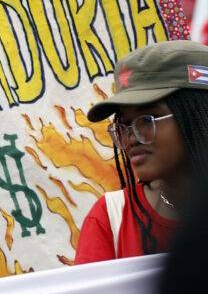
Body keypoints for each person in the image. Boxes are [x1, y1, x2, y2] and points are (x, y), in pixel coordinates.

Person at [75, 40, 208, 262]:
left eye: (148, 119)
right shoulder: (111, 217)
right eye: (123, 125)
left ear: (198, 115)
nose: (131, 137)